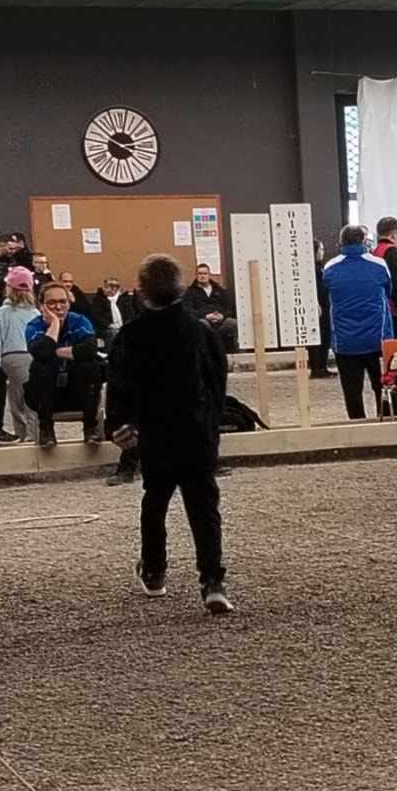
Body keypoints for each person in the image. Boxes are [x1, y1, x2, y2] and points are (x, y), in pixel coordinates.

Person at [105, 251, 232, 615]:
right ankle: (212, 581)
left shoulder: (130, 335)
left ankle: (155, 570)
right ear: (181, 289)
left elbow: (120, 384)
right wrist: (212, 423)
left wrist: (118, 424)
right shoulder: (201, 331)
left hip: (154, 431)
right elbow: (217, 379)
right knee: (203, 506)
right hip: (196, 429)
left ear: (141, 291)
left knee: (155, 500)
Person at [323, 223, 394, 420]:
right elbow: (389, 291)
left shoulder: (330, 267)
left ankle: (357, 423)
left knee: (352, 389)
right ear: (364, 241)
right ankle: (385, 420)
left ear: (340, 242)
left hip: (345, 342)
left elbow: (326, 293)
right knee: (383, 385)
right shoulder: (379, 265)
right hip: (377, 339)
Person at [23, 274, 102, 447]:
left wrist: (55, 351)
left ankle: (90, 428)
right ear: (41, 305)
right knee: (42, 366)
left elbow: (90, 349)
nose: (58, 307)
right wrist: (54, 325)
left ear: (69, 303)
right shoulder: (34, 325)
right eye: (51, 303)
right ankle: (46, 430)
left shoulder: (79, 321)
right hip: (46, 394)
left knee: (90, 366)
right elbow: (41, 353)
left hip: (77, 389)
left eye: (62, 302)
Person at [0, 265, 41, 441]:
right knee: (33, 397)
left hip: (11, 356)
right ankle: (34, 433)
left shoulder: (0, 314)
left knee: (17, 400)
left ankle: (25, 435)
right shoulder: (35, 313)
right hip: (34, 355)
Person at [182, 263, 237, 354]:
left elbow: (229, 307)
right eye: (200, 274)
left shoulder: (219, 290)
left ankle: (236, 352)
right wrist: (205, 316)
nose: (202, 276)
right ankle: (205, 355)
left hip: (221, 321)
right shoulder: (190, 292)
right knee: (201, 324)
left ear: (209, 275)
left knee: (234, 323)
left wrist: (222, 316)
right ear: (196, 275)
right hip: (203, 320)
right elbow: (188, 310)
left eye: (205, 273)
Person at [370, 216, 397, 330]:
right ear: (393, 234)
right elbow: (395, 282)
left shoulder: (375, 251)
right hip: (394, 309)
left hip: (382, 305)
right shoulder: (392, 250)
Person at [88, 275, 134, 350]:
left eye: (106, 287)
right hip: (106, 328)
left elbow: (130, 314)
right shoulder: (99, 299)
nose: (103, 289)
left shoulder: (124, 299)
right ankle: (111, 355)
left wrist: (125, 326)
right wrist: (109, 325)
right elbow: (96, 316)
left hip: (123, 326)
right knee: (113, 333)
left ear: (114, 289)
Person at [310, 237, 333, 377]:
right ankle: (317, 368)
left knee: (325, 336)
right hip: (319, 306)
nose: (323, 252)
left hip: (325, 304)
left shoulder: (320, 267)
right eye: (321, 249)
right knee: (319, 337)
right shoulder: (311, 269)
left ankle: (322, 366)